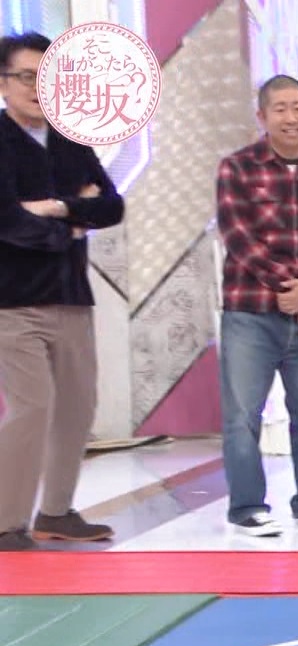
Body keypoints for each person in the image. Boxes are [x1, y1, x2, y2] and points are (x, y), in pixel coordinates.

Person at [0, 32, 126, 551]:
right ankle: (7, 523)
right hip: (13, 300)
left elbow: (111, 206)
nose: (36, 88)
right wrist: (70, 225)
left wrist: (54, 208)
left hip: (72, 294)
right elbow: (7, 221)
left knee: (77, 406)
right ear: (4, 83)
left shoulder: (71, 139)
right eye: (25, 77)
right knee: (33, 406)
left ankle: (56, 511)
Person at [215, 74, 298, 537]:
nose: (292, 118)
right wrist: (284, 284)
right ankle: (247, 508)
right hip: (249, 314)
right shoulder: (237, 168)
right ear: (262, 116)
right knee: (241, 417)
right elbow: (236, 234)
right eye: (281, 109)